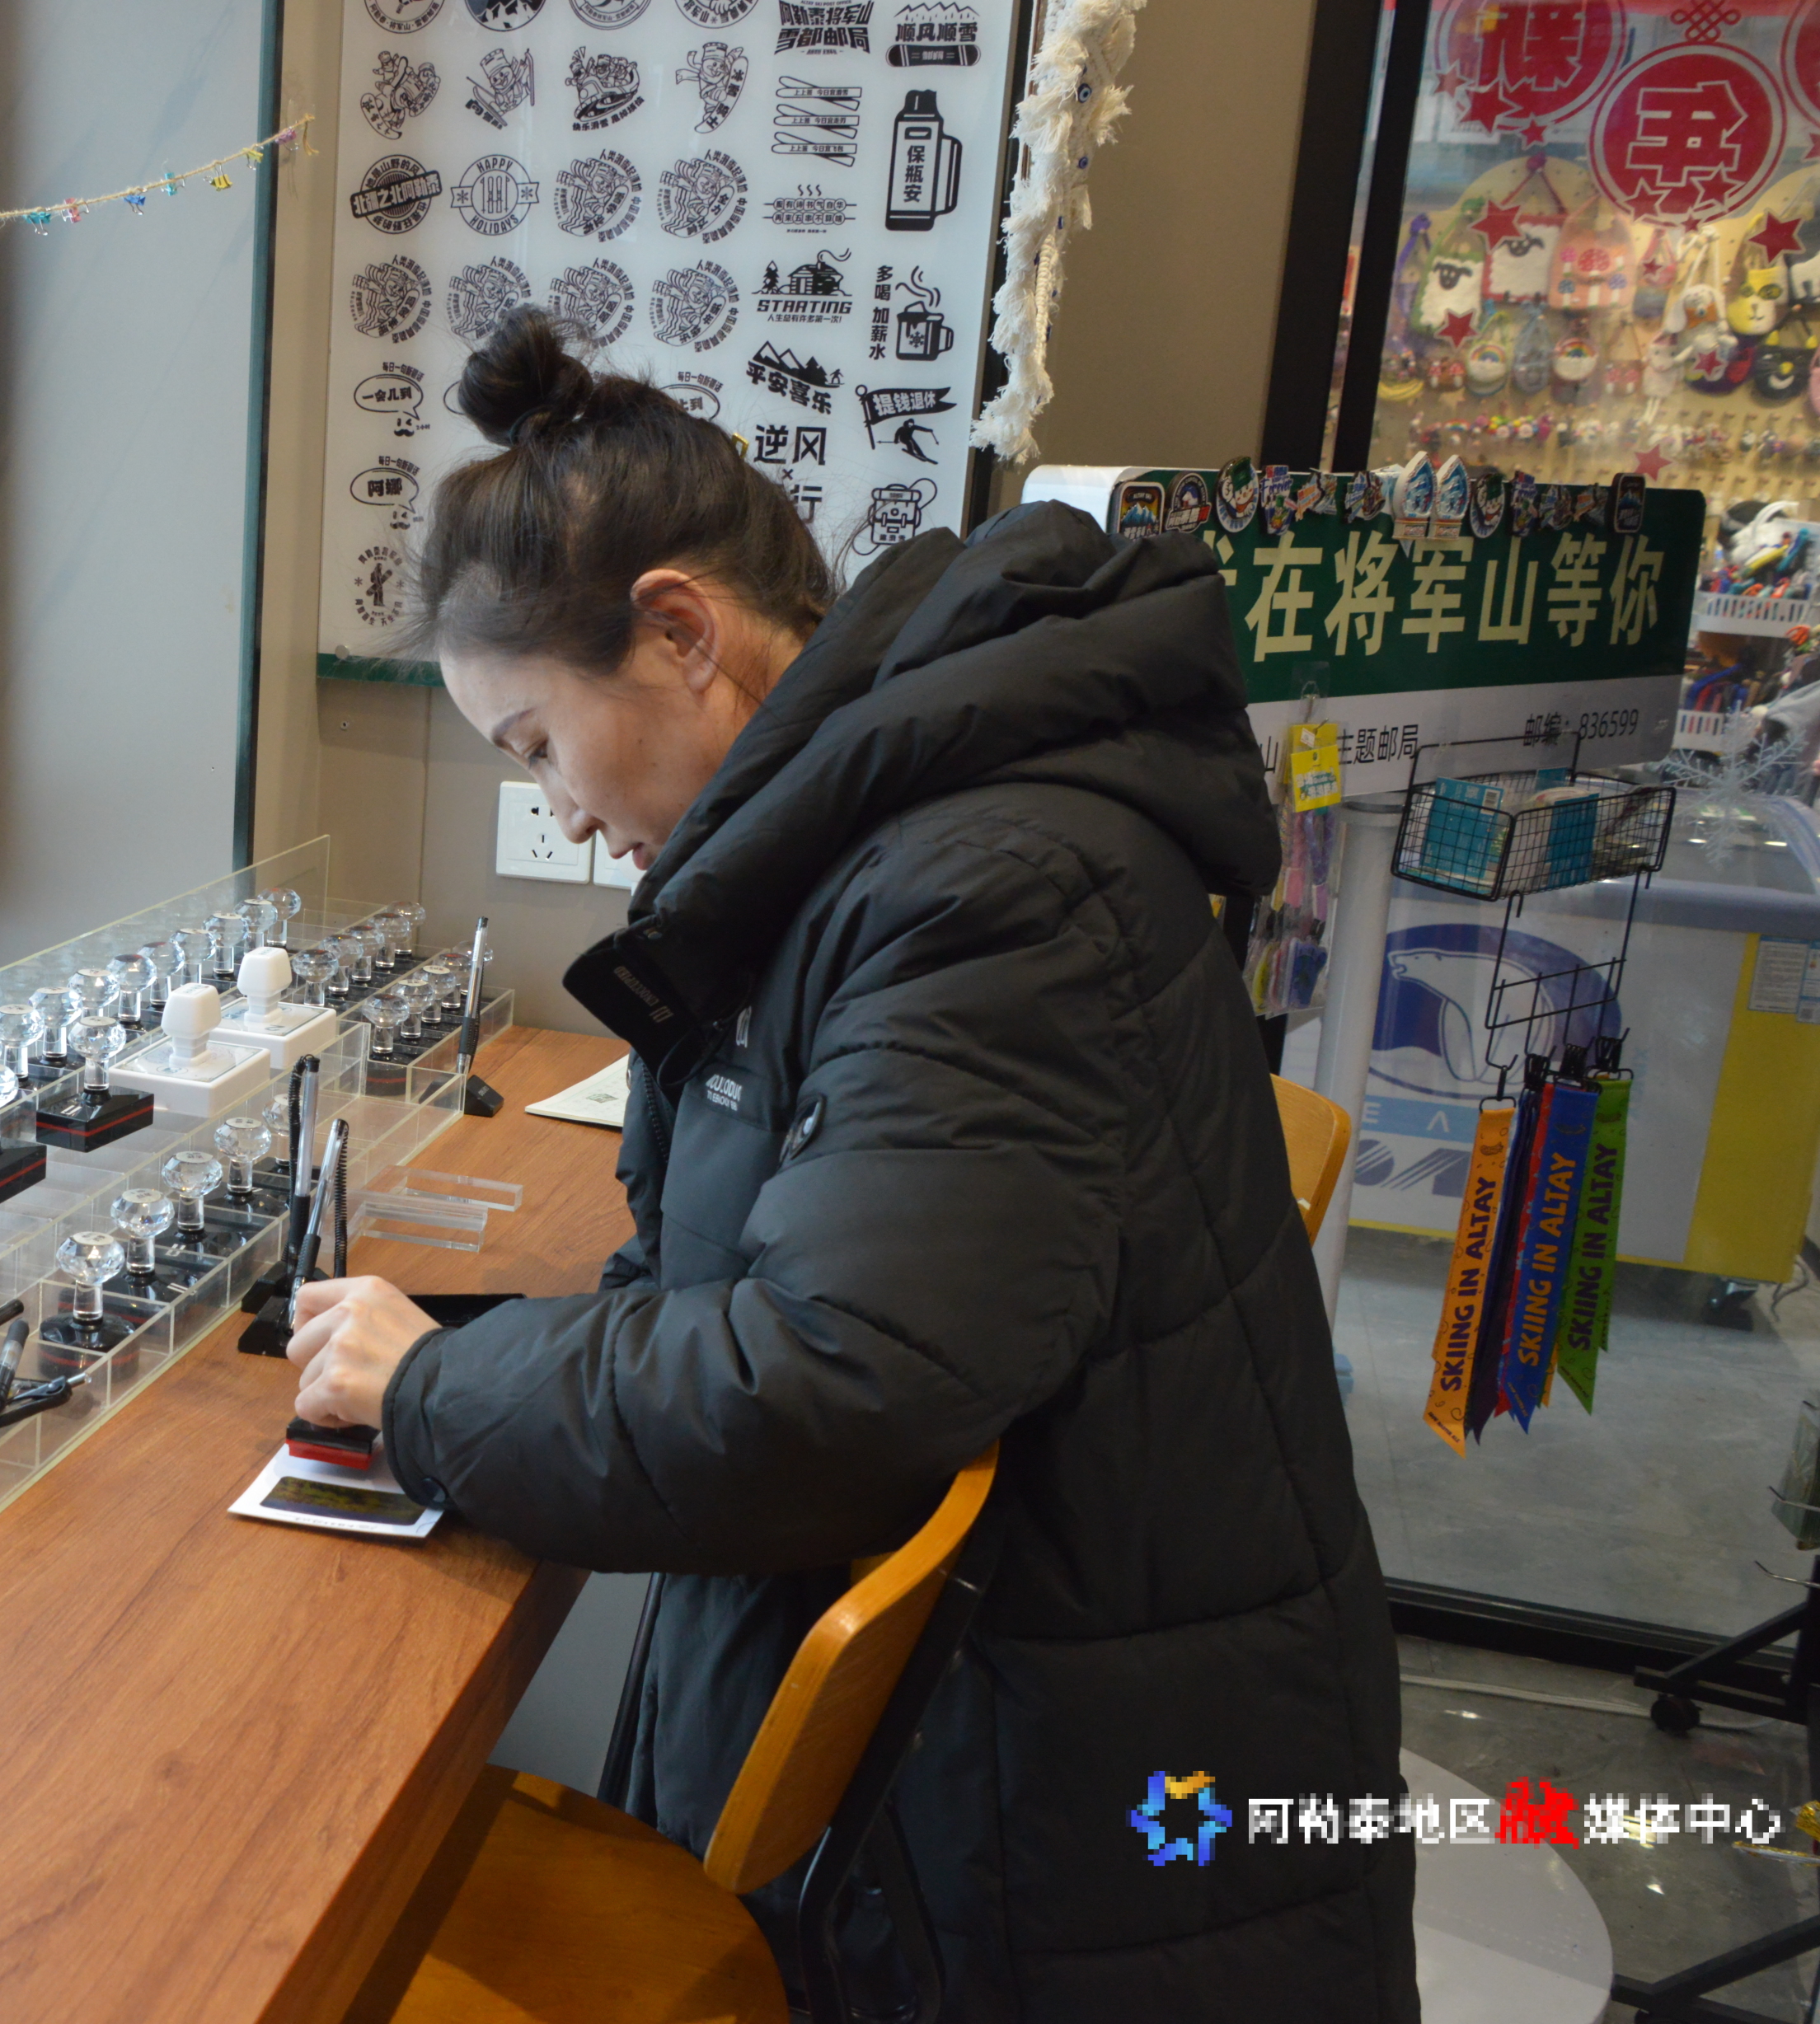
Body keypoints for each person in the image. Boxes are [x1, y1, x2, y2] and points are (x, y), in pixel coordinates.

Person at [286, 309, 1414, 2022]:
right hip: (1018, 1722)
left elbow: (838, 1381)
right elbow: (753, 1291)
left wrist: (435, 1391)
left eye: (536, 747)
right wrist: (465, 1355)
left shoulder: (986, 884)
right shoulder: (852, 847)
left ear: (681, 632)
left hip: (1067, 1820)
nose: (561, 813)